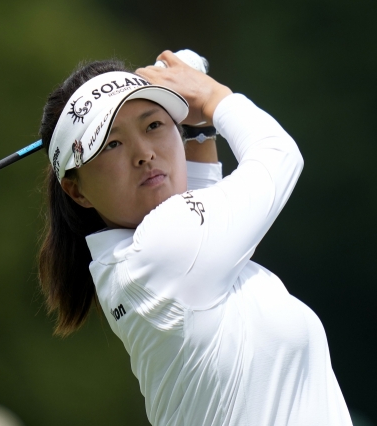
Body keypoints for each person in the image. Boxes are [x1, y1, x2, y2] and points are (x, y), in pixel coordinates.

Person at [37, 51, 352, 425]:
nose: (145, 153)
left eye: (153, 124)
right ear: (77, 191)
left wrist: (199, 124)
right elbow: (279, 155)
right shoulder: (163, 248)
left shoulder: (134, 261)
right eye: (111, 144)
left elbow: (196, 196)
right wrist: (212, 95)